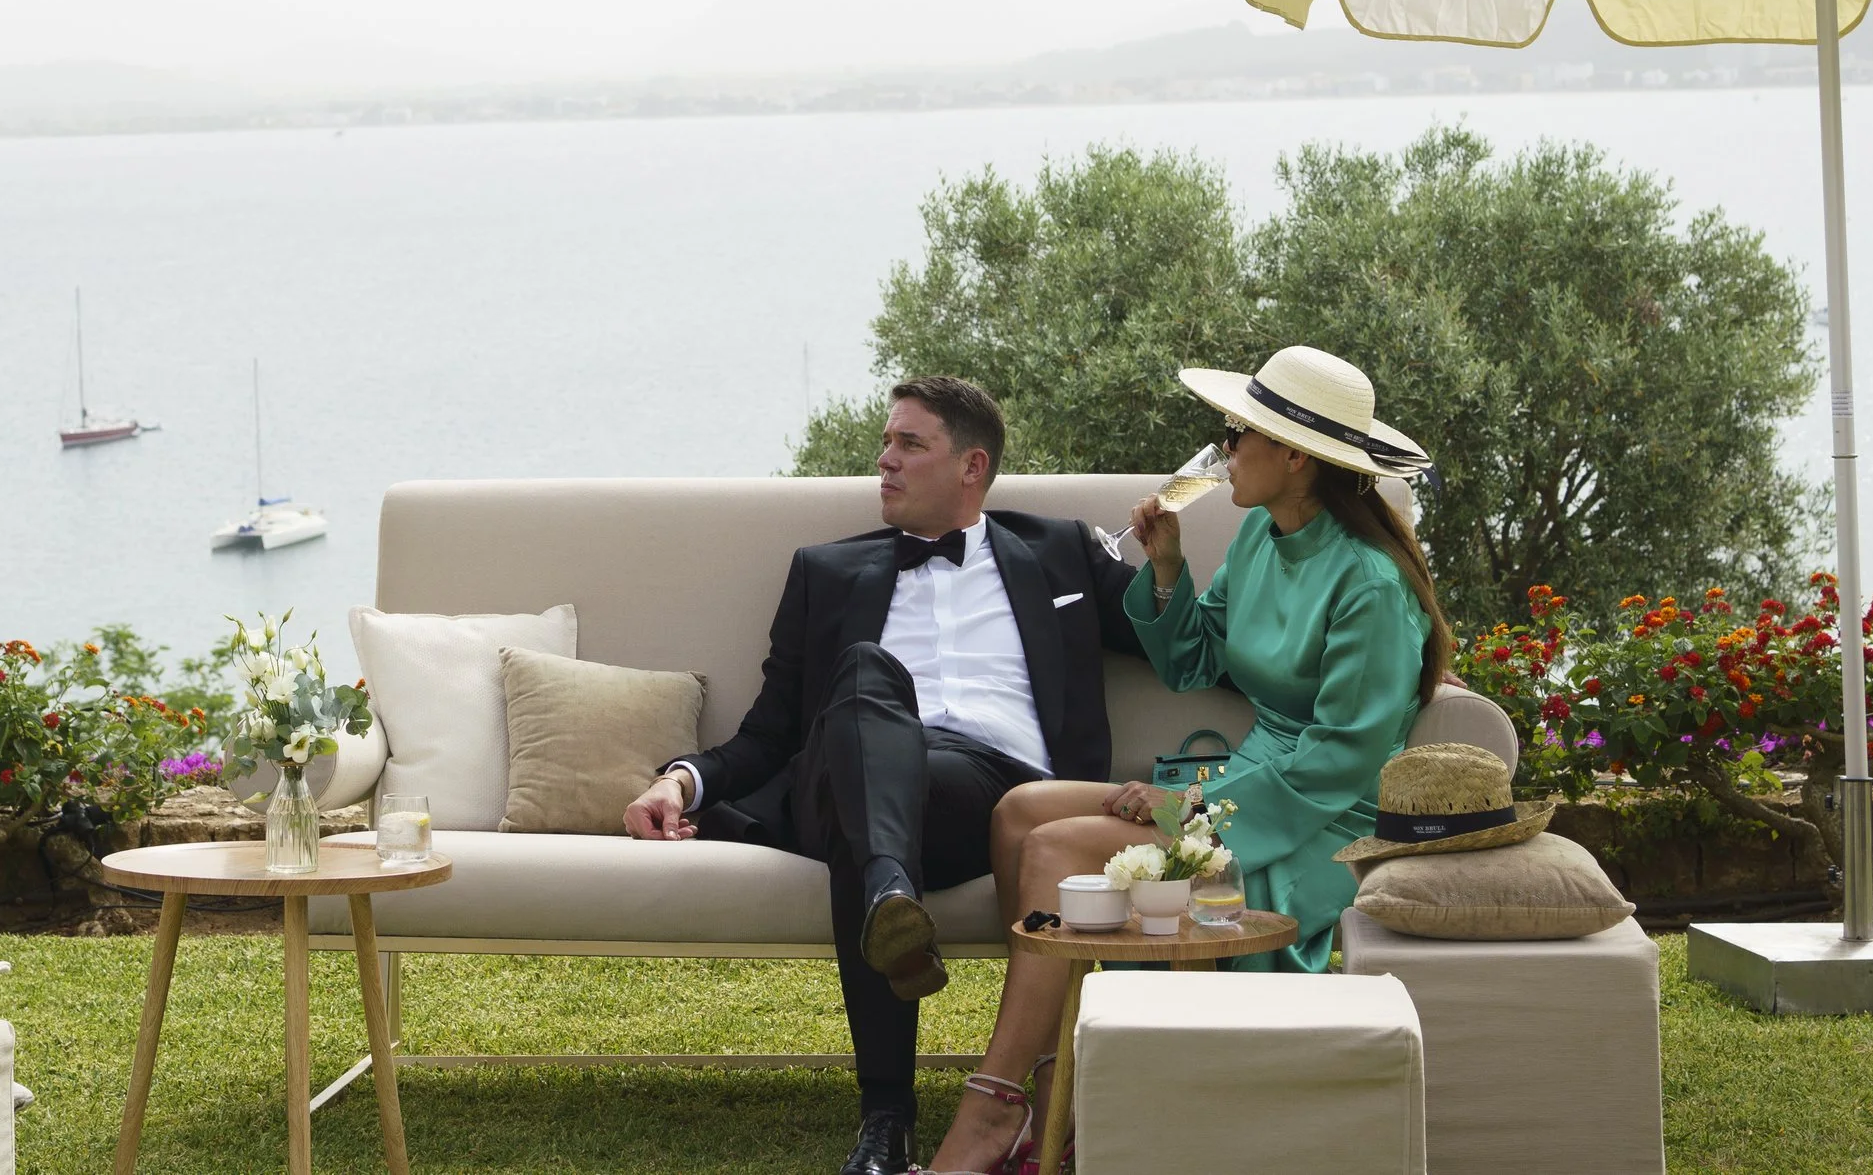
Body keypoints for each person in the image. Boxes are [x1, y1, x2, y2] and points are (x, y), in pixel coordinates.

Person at [925, 346, 1455, 1175]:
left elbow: (1339, 766)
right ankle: (1061, 1075)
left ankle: (997, 1107)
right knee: (1017, 810)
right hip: (1242, 782)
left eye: (1239, 433)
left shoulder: (1373, 587)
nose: (1223, 449)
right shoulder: (1259, 536)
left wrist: (1185, 811)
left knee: (1052, 848)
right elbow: (1193, 661)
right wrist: (1166, 564)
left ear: (1296, 456)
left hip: (1316, 823)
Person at [622, 376, 1143, 1175]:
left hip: (992, 795)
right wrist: (681, 781)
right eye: (886, 442)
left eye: (909, 444)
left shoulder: (1060, 550)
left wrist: (1167, 563)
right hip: (851, 771)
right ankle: (890, 897)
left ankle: (887, 1120)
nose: (884, 461)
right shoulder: (826, 573)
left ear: (972, 467)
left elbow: (1174, 638)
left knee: (862, 829)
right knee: (865, 679)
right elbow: (769, 733)